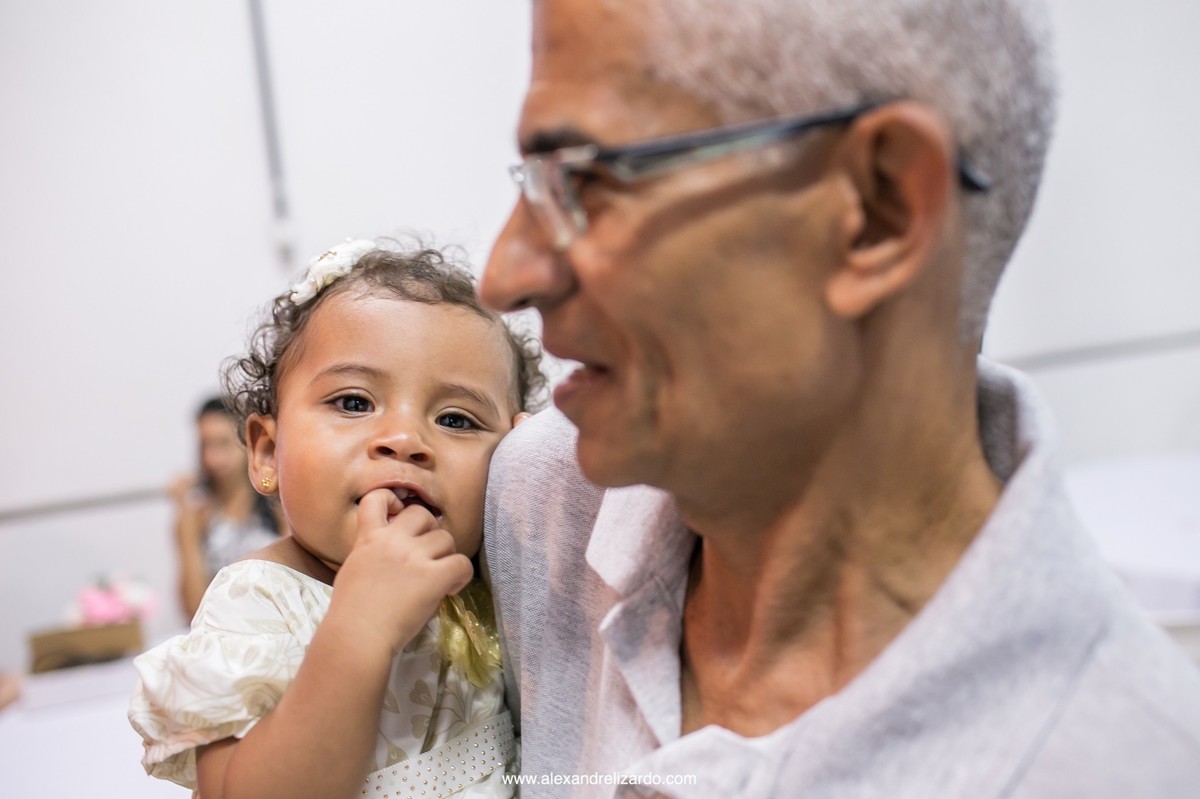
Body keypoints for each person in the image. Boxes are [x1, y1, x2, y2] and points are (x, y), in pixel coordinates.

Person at [478, 1, 1200, 796]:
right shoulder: (545, 499)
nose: (505, 274)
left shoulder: (1130, 765)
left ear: (878, 207)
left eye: (581, 176)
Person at [130, 240, 544, 799]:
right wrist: (361, 625)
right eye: (354, 403)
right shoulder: (260, 600)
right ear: (266, 452)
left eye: (456, 418)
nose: (405, 440)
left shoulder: (486, 578)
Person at [170, 396, 283, 620]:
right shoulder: (198, 514)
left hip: (277, 626)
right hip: (219, 633)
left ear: (248, 441)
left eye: (223, 444)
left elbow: (300, 583)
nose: (212, 458)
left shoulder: (276, 501)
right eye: (205, 445)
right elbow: (193, 609)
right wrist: (186, 528)